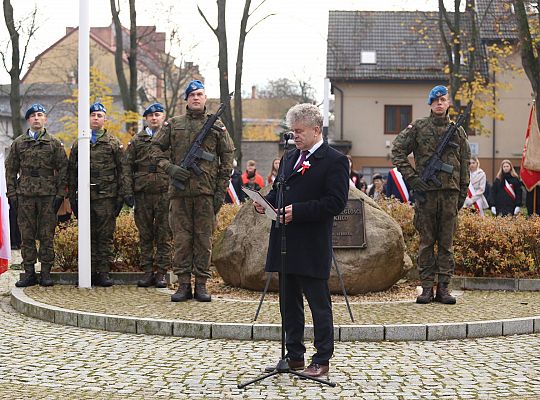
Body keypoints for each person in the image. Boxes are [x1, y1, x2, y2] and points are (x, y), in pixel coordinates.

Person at [254, 103, 349, 378]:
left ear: (316, 130)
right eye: (292, 130)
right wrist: (265, 202)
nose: (294, 136)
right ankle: (294, 355)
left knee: (319, 304)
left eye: (299, 131)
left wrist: (300, 211)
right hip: (284, 241)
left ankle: (322, 359)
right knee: (288, 303)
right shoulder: (289, 157)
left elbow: (336, 202)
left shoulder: (335, 160)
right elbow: (279, 191)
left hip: (311, 243)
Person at [150, 80, 235, 302]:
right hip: (179, 195)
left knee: (204, 240)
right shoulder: (173, 124)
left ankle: (202, 285)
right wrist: (170, 168)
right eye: (191, 95)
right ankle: (184, 285)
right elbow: (154, 149)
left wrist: (220, 190)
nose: (196, 98)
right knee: (181, 240)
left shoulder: (216, 126)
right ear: (186, 99)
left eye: (199, 94)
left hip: (206, 193)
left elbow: (227, 157)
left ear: (205, 98)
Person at [391, 85, 470, 305]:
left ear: (448, 103)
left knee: (446, 244)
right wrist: (412, 178)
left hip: (450, 195)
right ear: (430, 103)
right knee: (426, 242)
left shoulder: (458, 132)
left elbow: (464, 165)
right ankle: (426, 288)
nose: (439, 103)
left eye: (443, 100)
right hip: (426, 194)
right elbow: (397, 151)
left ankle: (443, 288)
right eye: (435, 100)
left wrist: (461, 194)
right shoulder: (418, 127)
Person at [5, 103, 68, 287]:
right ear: (28, 120)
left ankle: (46, 272)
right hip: (25, 195)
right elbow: (10, 169)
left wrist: (59, 194)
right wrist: (12, 194)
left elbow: (63, 168)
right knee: (27, 235)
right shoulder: (19, 143)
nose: (36, 118)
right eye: (33, 116)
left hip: (48, 196)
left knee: (47, 235)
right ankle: (29, 272)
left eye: (40, 115)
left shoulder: (54, 143)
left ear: (45, 119)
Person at [68, 102, 129, 287]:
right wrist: (72, 198)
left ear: (105, 119)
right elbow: (71, 172)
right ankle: (88, 270)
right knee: (87, 235)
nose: (96, 118)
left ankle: (103, 272)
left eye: (99, 115)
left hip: (106, 197)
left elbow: (122, 171)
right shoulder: (80, 143)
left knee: (104, 236)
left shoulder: (113, 143)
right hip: (85, 197)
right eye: (93, 115)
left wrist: (121, 197)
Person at [125, 103, 171, 288]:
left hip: (164, 192)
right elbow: (127, 167)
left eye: (157, 114)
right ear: (145, 119)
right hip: (143, 193)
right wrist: (128, 192)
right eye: (150, 115)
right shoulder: (137, 141)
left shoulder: (170, 139)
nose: (154, 118)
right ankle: (147, 272)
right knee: (145, 235)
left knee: (164, 235)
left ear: (163, 117)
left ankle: (161, 273)